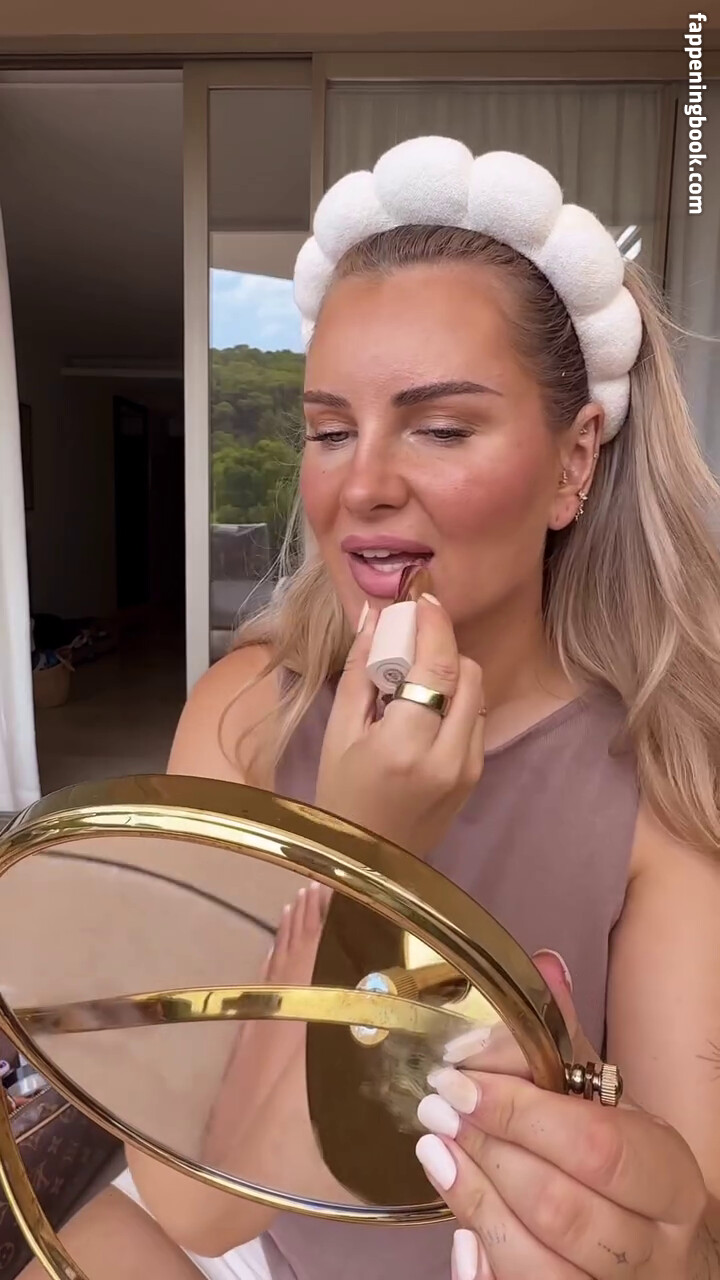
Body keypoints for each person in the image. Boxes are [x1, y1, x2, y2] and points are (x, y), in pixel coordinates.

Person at [23, 137, 720, 1280]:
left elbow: (685, 1209)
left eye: (440, 427)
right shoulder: (249, 711)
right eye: (331, 429)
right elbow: (198, 1203)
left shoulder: (657, 775)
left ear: (573, 462)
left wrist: (635, 1204)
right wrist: (359, 851)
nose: (362, 485)